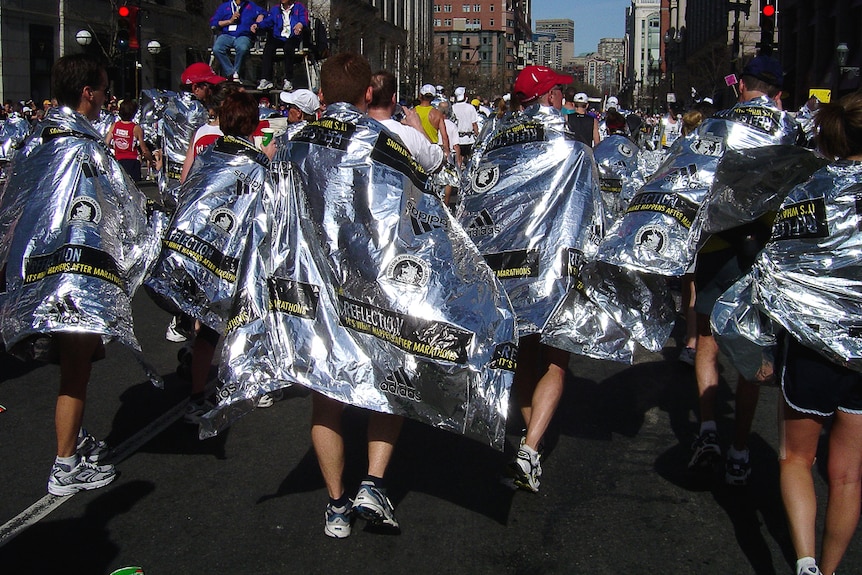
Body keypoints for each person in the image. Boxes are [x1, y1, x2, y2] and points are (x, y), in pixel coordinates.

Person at [0, 54, 158, 495]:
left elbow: (11, 206)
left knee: (81, 361)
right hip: (74, 277)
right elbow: (123, 210)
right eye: (105, 90)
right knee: (75, 370)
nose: (108, 98)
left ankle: (74, 439)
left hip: (39, 274)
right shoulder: (84, 147)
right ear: (87, 93)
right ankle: (65, 465)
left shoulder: (36, 140)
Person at [302, 53, 407, 538]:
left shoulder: (291, 145)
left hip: (315, 287)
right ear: (369, 94)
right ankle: (374, 481)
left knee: (328, 396)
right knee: (388, 385)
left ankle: (336, 504)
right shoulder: (383, 143)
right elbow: (405, 220)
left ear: (321, 94)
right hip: (372, 284)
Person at [688, 55, 801, 485]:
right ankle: (739, 450)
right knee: (753, 350)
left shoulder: (715, 125)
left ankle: (707, 429)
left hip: (717, 246)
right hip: (763, 251)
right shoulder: (792, 129)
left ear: (741, 87)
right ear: (777, 92)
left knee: (707, 341)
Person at [766, 91, 862, 575]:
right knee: (847, 477)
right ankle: (828, 570)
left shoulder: (806, 187)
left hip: (811, 342)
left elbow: (777, 262)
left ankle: (804, 563)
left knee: (797, 458)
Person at [503, 64, 579, 493]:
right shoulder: (569, 145)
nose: (564, 101)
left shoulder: (495, 143)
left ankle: (531, 444)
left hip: (509, 266)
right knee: (556, 358)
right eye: (560, 94)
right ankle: (530, 449)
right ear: (549, 98)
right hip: (551, 266)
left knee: (525, 355)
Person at [367, 70, 443, 173]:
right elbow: (436, 163)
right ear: (393, 98)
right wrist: (418, 127)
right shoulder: (410, 135)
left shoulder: (353, 130)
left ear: (368, 95)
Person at [256, 0, 308, 92]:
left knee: (288, 48)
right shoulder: (275, 9)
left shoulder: (299, 7)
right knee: (268, 48)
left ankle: (288, 79)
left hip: (293, 35)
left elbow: (304, 19)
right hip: (279, 36)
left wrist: (300, 24)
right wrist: (257, 25)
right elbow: (268, 21)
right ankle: (266, 79)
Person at [210, 0, 265, 82]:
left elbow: (263, 13)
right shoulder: (224, 6)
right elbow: (214, 22)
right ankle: (231, 72)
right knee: (217, 48)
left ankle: (236, 72)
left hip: (243, 35)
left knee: (242, 48)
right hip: (227, 34)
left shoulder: (250, 5)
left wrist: (258, 21)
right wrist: (229, 21)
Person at [105, 99, 154, 181]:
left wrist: (114, 147)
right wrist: (151, 161)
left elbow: (106, 142)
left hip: (118, 161)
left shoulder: (115, 126)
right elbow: (144, 150)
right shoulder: (136, 128)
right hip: (132, 162)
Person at [414, 83, 450, 162]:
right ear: (433, 98)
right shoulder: (437, 114)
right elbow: (444, 136)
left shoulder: (413, 112)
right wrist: (447, 152)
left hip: (415, 148)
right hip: (431, 150)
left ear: (420, 95)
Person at [451, 86, 479, 161]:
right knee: (470, 159)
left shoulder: (453, 107)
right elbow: (474, 124)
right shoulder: (470, 108)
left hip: (457, 139)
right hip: (469, 139)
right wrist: (478, 136)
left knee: (458, 159)